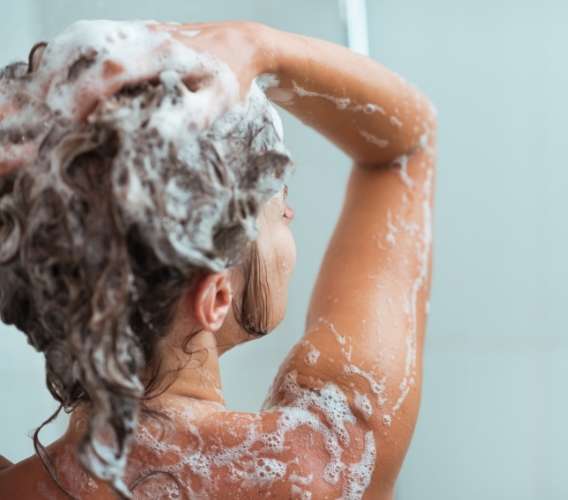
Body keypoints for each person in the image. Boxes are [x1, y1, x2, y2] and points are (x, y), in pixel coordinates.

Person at [0, 19, 436, 499]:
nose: (289, 211)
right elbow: (403, 149)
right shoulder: (326, 464)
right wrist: (259, 45)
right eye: (273, 206)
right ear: (215, 295)